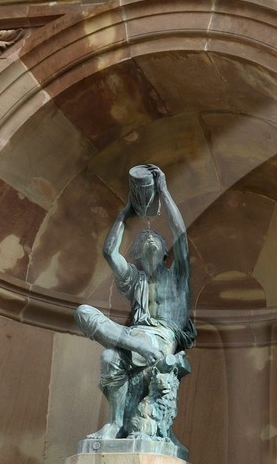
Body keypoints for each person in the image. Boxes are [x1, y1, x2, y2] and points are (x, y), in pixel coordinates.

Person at [76, 163, 197, 449]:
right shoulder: (134, 280)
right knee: (88, 322)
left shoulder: (178, 278)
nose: (150, 239)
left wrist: (164, 191)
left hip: (162, 338)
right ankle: (115, 423)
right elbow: (109, 252)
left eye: (155, 239)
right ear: (138, 256)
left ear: (165, 253)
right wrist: (124, 212)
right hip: (133, 338)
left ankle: (138, 346)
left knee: (116, 351)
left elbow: (180, 233)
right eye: (143, 240)